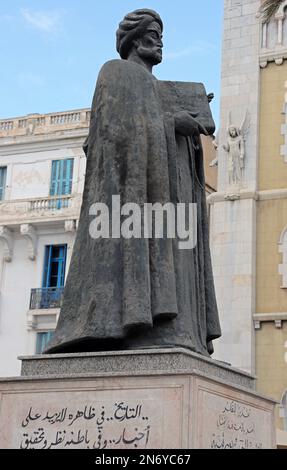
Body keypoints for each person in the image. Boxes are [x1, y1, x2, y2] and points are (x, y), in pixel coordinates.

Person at [46, 9, 221, 356]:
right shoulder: (116, 73)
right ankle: (134, 325)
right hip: (131, 206)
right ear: (134, 38)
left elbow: (150, 124)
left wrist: (187, 125)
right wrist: (171, 122)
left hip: (169, 204)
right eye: (153, 33)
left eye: (161, 35)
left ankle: (177, 330)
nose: (160, 41)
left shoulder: (156, 87)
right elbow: (112, 131)